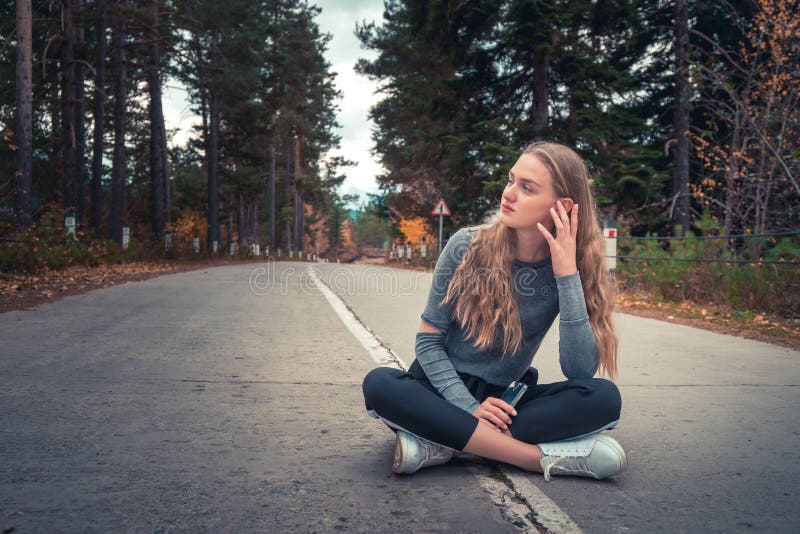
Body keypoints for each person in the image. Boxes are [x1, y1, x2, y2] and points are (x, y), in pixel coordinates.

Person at [362, 141, 626, 481]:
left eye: (527, 188)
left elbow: (579, 371)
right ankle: (534, 458)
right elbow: (428, 343)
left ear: (562, 206)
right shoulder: (465, 246)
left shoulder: (573, 268)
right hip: (440, 392)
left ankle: (441, 444)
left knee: (603, 397)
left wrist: (566, 274)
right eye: (511, 180)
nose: (509, 193)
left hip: (506, 404)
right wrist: (469, 408)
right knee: (381, 384)